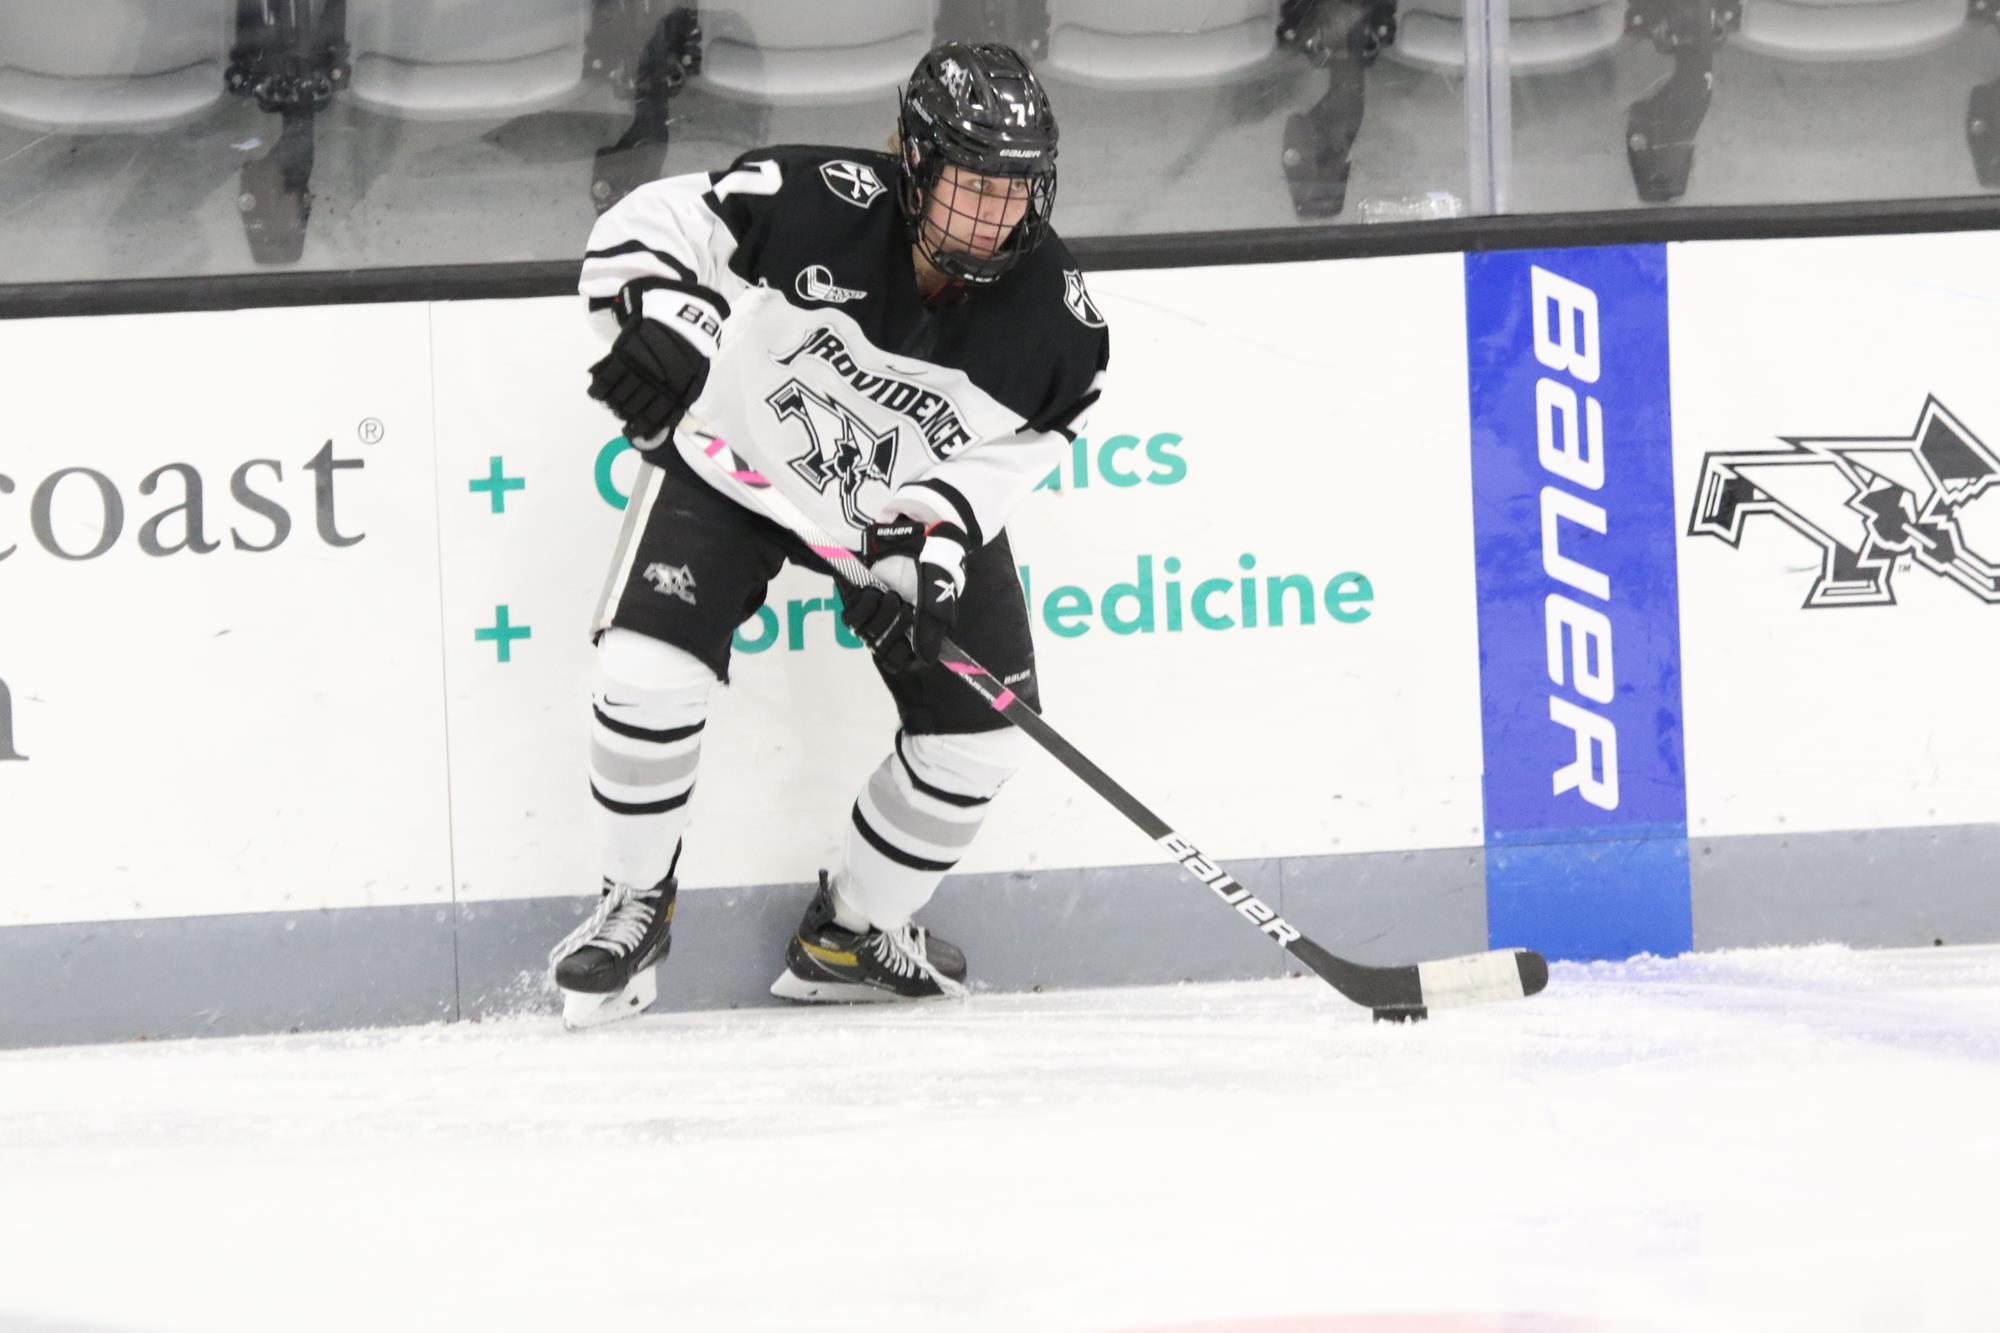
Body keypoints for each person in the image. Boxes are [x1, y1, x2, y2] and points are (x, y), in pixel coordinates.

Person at [548, 41, 1111, 1029]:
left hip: (894, 505)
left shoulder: (1057, 324)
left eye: (1013, 191)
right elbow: (647, 223)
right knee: (642, 678)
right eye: (968, 186)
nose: (990, 216)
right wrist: (666, 312)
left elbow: (1029, 439)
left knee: (977, 744)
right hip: (738, 466)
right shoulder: (821, 198)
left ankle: (850, 934)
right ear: (910, 161)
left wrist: (931, 534)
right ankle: (635, 900)